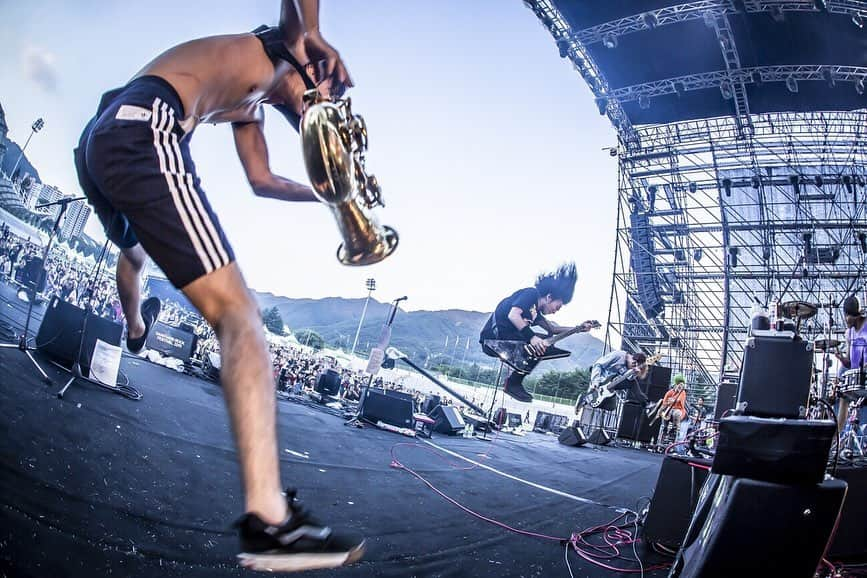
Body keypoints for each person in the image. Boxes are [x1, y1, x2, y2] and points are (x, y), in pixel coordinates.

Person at [74, 1, 363, 572]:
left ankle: (135, 326)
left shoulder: (249, 107)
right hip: (146, 126)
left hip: (106, 133)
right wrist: (317, 33)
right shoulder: (285, 49)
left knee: (132, 255)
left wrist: (331, 194)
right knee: (241, 317)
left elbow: (261, 181)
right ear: (313, 68)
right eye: (324, 94)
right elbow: (298, 18)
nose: (321, 110)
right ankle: (270, 523)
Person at [479, 263, 580, 402]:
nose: (556, 311)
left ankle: (515, 381)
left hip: (509, 339)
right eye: (557, 306)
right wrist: (532, 337)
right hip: (494, 338)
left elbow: (553, 330)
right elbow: (513, 315)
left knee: (546, 342)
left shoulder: (535, 312)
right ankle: (513, 383)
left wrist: (579, 328)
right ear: (549, 297)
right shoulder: (530, 294)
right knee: (539, 343)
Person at [580, 350, 650, 413]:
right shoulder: (618, 355)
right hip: (601, 379)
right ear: (633, 360)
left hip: (611, 383)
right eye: (632, 366)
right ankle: (584, 399)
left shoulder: (628, 367)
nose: (630, 368)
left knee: (611, 407)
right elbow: (598, 365)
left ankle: (646, 404)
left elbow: (629, 379)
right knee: (593, 397)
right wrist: (596, 381)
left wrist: (634, 373)